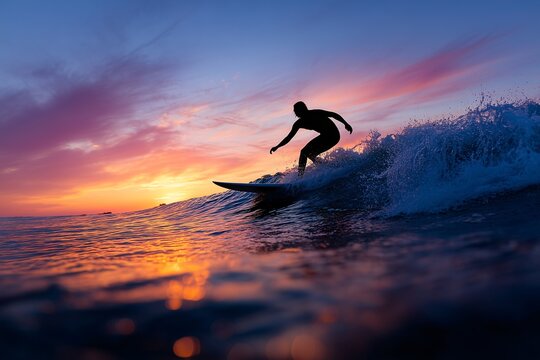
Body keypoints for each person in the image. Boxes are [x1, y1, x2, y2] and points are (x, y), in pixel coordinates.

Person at [270, 101, 353, 175]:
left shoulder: (316, 113)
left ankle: (300, 177)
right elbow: (289, 137)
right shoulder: (299, 123)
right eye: (295, 111)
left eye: (296, 111)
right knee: (310, 155)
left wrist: (345, 123)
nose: (295, 113)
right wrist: (277, 146)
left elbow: (333, 114)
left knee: (304, 152)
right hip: (325, 136)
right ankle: (329, 168)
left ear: (303, 109)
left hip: (334, 135)